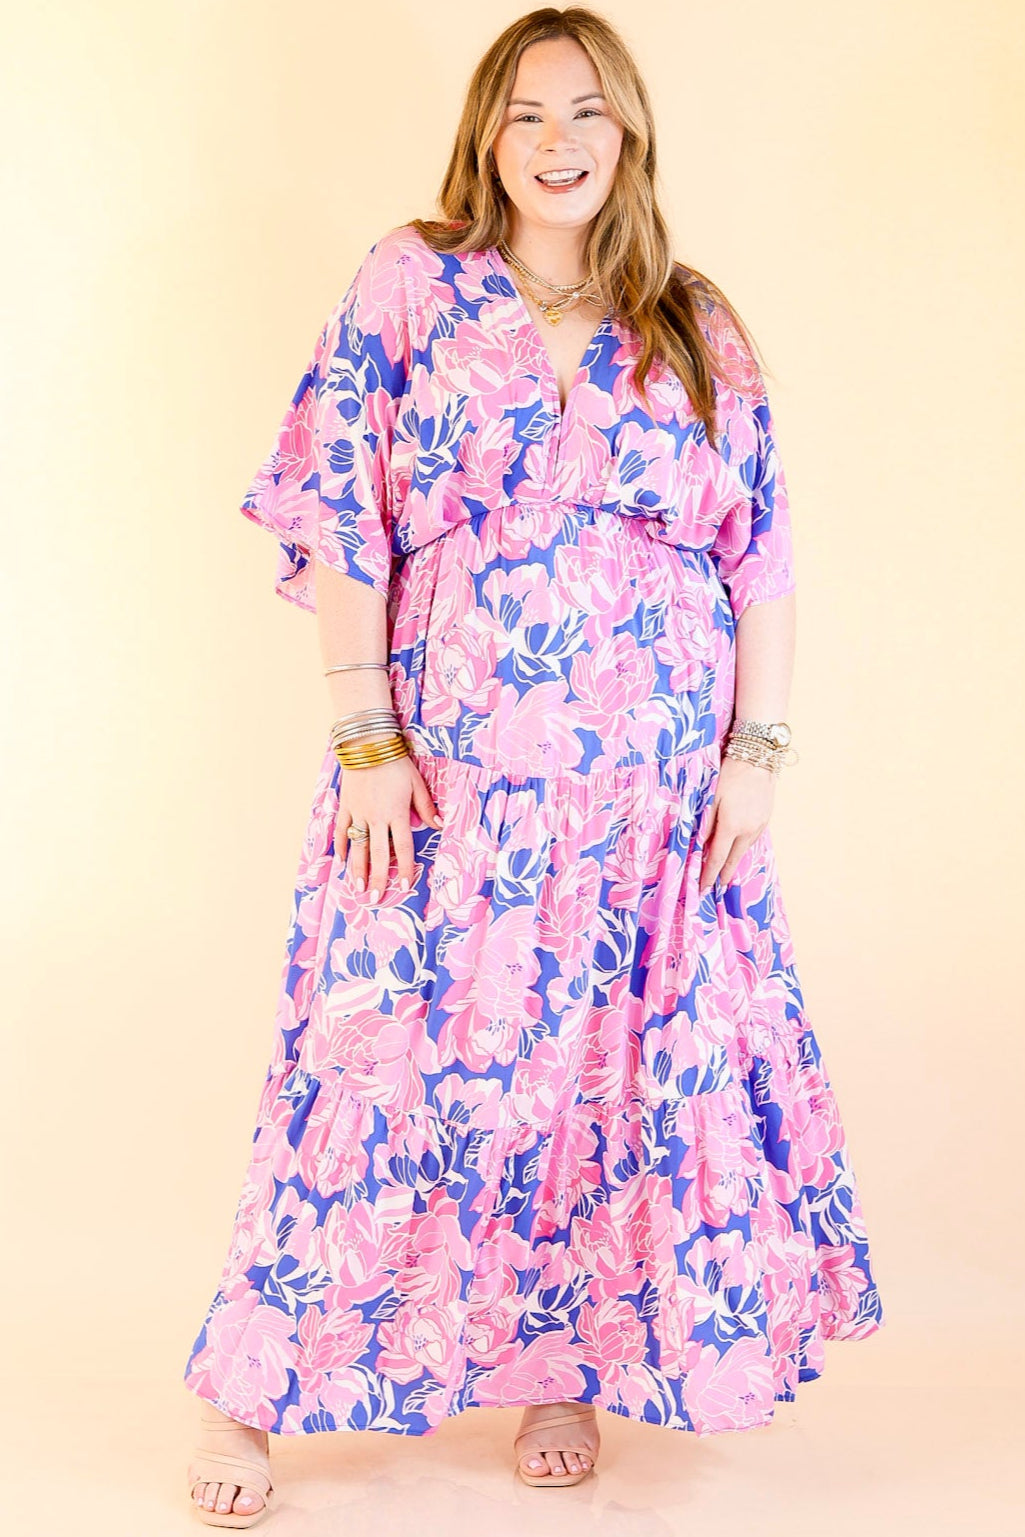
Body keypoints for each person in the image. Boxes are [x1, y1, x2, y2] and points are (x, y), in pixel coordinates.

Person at [184, 5, 885, 1524]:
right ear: (485, 136)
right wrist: (364, 734)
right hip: (454, 774)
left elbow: (760, 555)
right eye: (526, 113)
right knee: (379, 1058)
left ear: (629, 133)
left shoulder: (693, 318)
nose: (558, 141)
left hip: (651, 789)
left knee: (598, 1077)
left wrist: (756, 755)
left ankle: (560, 1368)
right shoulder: (411, 280)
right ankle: (250, 1392)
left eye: (587, 112)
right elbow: (342, 509)